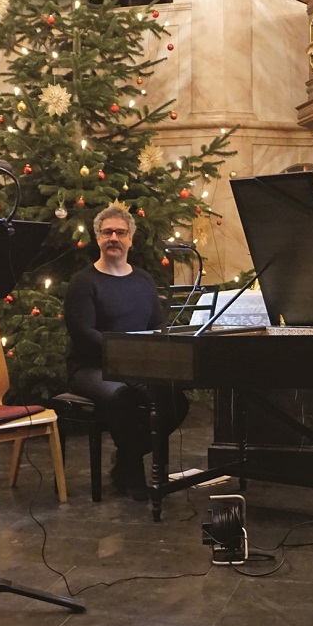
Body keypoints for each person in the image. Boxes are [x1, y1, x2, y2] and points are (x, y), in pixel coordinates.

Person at [64, 204, 189, 500]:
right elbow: (83, 334)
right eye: (107, 232)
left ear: (131, 239)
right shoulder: (83, 282)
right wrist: (125, 351)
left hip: (136, 364)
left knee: (176, 400)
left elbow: (157, 325)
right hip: (91, 367)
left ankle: (126, 455)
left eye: (121, 232)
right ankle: (131, 469)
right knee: (121, 396)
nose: (114, 238)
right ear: (97, 238)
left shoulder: (143, 280)